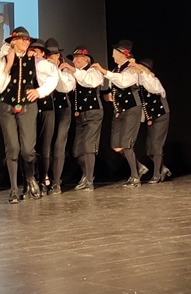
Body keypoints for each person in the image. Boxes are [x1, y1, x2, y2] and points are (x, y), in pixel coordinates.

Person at [0, 27, 58, 203]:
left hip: (28, 107)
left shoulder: (35, 60)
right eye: (23, 39)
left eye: (28, 40)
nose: (27, 42)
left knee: (28, 150)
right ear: (13, 41)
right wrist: (8, 65)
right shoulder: (4, 60)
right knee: (13, 148)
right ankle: (13, 189)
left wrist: (40, 91)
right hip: (7, 107)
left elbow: (54, 75)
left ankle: (29, 179)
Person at [92, 40, 145, 187]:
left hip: (131, 108)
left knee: (126, 143)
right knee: (116, 145)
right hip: (119, 110)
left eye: (115, 53)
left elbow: (124, 82)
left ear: (123, 54)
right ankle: (139, 166)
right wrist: (109, 96)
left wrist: (104, 71)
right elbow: (115, 89)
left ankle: (135, 176)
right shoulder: (116, 69)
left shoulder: (132, 68)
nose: (112, 56)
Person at [38, 38, 74, 194]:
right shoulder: (42, 67)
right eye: (49, 55)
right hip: (46, 110)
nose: (52, 57)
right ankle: (43, 178)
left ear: (59, 55)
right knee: (45, 146)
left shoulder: (64, 70)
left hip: (63, 110)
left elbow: (65, 87)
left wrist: (56, 70)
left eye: (54, 54)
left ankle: (57, 182)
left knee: (59, 145)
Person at [65, 46, 102, 191]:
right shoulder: (74, 73)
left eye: (77, 58)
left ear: (86, 59)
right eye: (73, 59)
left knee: (88, 147)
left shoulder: (93, 71)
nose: (74, 61)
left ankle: (89, 180)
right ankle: (86, 174)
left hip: (93, 113)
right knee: (77, 151)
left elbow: (89, 82)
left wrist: (73, 70)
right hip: (80, 115)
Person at [132, 59, 172, 183]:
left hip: (161, 115)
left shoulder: (153, 80)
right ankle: (163, 169)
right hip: (151, 117)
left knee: (156, 146)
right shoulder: (140, 84)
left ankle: (157, 174)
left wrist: (142, 72)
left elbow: (153, 88)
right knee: (149, 150)